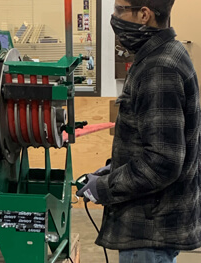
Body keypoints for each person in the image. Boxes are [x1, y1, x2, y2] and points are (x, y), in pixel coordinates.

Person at [77, 0, 201, 262]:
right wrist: (112, 170)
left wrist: (105, 188)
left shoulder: (159, 68)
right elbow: (152, 144)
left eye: (120, 9)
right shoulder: (165, 54)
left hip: (149, 228)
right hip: (154, 223)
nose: (114, 17)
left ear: (144, 15)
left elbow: (162, 162)